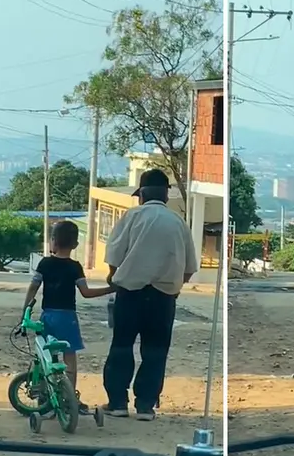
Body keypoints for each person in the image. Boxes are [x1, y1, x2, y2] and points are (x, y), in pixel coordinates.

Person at [101, 169, 198, 421]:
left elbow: (114, 254)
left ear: (141, 194)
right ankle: (145, 405)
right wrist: (173, 287)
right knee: (155, 351)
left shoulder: (133, 216)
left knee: (122, 346)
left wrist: (114, 276)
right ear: (166, 195)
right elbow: (189, 269)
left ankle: (117, 403)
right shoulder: (178, 222)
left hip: (130, 294)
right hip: (164, 298)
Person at [23, 220, 114, 415]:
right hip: (68, 319)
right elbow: (86, 293)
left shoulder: (44, 263)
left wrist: (26, 311)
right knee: (69, 357)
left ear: (53, 242)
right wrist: (111, 288)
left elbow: (33, 288)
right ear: (75, 245)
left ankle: (45, 397)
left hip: (48, 317)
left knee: (46, 356)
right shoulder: (75, 267)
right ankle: (70, 397)